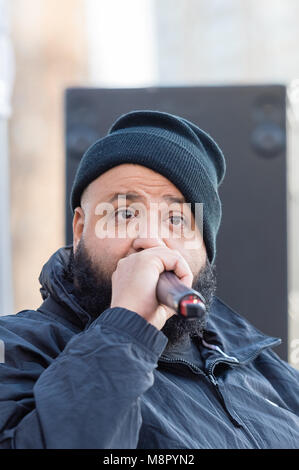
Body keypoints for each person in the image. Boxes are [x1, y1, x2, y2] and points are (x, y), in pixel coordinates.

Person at [0, 110, 298, 449]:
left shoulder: (255, 361)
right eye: (125, 213)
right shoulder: (17, 347)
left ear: (205, 249)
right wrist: (127, 326)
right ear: (81, 229)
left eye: (175, 219)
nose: (150, 239)